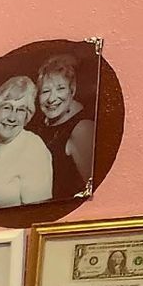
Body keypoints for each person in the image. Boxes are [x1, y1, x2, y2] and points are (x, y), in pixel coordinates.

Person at [0, 74, 52, 210]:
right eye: (7, 107)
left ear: (27, 116)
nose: (12, 117)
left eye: (20, 110)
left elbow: (37, 213)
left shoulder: (34, 148)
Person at [35, 52, 96, 201]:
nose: (51, 99)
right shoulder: (41, 124)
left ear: (72, 89)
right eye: (46, 91)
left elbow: (94, 194)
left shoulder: (83, 129)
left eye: (60, 88)